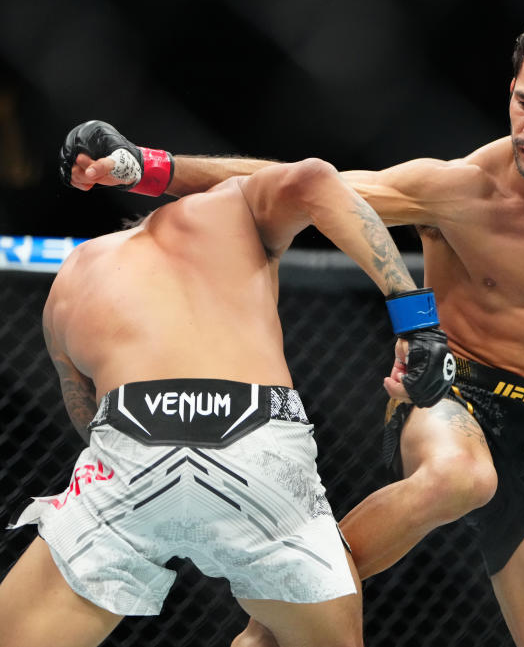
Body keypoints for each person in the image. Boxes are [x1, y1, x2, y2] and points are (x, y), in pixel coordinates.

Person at [61, 3, 524, 647]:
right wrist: (149, 166)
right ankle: (275, 619)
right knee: (462, 478)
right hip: (446, 390)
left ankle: (277, 623)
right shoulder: (459, 188)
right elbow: (295, 186)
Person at [0, 120, 456, 647]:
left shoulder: (76, 269)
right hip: (256, 439)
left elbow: (86, 413)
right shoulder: (225, 209)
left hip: (133, 438)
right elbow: (311, 178)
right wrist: (416, 319)